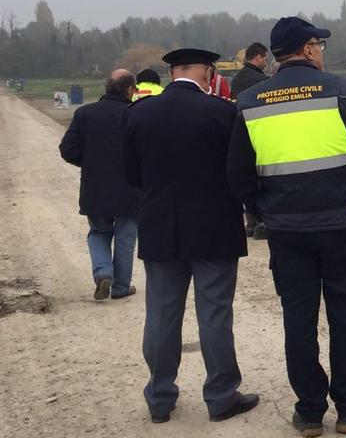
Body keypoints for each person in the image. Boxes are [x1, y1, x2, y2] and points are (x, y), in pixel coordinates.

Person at [227, 17, 346, 437]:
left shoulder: (248, 100)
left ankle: (311, 412)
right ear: (310, 49)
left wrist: (263, 212)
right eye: (320, 45)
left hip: (287, 232)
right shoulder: (344, 91)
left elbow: (238, 173)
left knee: (298, 319)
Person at [123, 48, 258, 424]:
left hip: (160, 227)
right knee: (214, 313)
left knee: (162, 314)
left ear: (171, 74)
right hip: (215, 227)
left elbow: (131, 174)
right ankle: (221, 395)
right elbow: (240, 171)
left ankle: (160, 397)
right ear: (207, 73)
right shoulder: (223, 113)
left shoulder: (138, 114)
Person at [59, 69, 141, 301]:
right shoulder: (135, 114)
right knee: (126, 235)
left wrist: (88, 163)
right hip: (131, 187)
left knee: (98, 232)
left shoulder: (85, 114)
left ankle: (103, 272)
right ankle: (121, 287)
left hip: (96, 186)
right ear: (129, 90)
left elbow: (67, 149)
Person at [229, 43, 271, 239]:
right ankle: (261, 221)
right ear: (259, 57)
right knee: (261, 177)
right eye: (266, 58)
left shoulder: (237, 79)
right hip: (260, 132)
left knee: (247, 176)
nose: (267, 62)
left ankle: (250, 223)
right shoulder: (261, 80)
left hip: (240, 131)